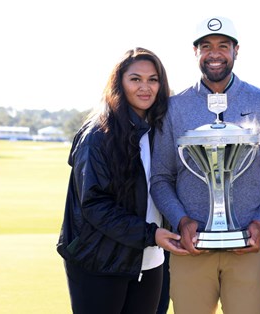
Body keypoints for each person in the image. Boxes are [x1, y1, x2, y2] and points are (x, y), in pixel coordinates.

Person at [150, 16, 260, 314]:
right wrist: (181, 221)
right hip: (191, 247)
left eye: (223, 46)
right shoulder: (173, 107)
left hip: (249, 247)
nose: (214, 53)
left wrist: (259, 223)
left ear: (236, 50)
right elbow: (161, 178)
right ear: (195, 52)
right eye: (206, 46)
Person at [56, 47, 189, 314]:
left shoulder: (158, 131)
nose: (145, 87)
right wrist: (151, 234)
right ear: (120, 82)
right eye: (135, 79)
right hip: (100, 261)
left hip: (151, 261)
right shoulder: (98, 134)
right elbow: (94, 205)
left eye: (153, 79)